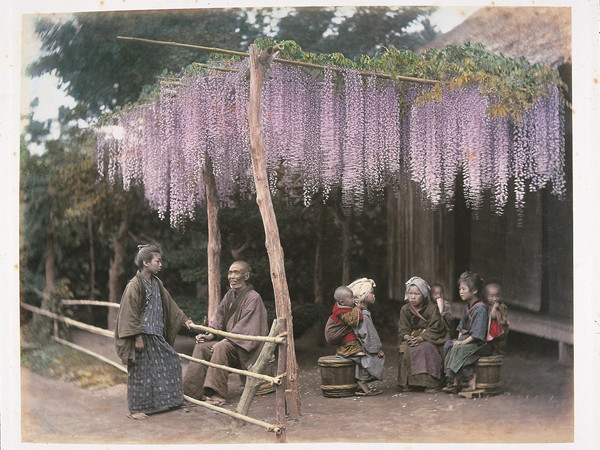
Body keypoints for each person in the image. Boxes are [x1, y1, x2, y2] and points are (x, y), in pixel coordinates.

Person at [115, 244, 194, 420]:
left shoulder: (157, 283)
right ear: (145, 262)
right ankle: (136, 410)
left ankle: (169, 402)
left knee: (171, 360)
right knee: (140, 371)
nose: (160, 265)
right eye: (157, 261)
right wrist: (137, 337)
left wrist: (184, 319)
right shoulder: (134, 286)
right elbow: (130, 312)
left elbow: (170, 304)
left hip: (155, 334)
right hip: (142, 335)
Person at [183, 261, 268, 406]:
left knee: (222, 348)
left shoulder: (254, 298)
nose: (231, 276)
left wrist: (225, 341)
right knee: (201, 347)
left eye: (236, 272)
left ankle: (217, 394)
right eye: (230, 272)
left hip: (245, 349)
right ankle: (191, 392)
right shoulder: (229, 295)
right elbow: (219, 317)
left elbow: (246, 328)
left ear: (246, 276)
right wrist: (210, 335)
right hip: (231, 344)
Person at [397, 276, 449, 392]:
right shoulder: (405, 309)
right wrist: (407, 337)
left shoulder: (432, 308)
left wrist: (421, 338)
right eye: (410, 293)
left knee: (425, 348)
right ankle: (408, 383)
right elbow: (403, 328)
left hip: (430, 338)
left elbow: (436, 328)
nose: (413, 297)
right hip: (412, 337)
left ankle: (430, 383)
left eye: (417, 293)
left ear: (424, 294)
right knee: (405, 347)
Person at [442, 271, 488, 393]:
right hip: (467, 340)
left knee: (458, 349)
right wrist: (459, 340)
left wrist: (462, 343)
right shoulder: (467, 307)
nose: (460, 291)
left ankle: (471, 379)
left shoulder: (481, 308)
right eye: (459, 289)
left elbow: (477, 334)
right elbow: (462, 328)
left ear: (474, 291)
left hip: (478, 344)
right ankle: (455, 381)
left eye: (464, 288)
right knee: (449, 345)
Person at [348, 278, 384, 396]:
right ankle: (363, 384)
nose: (374, 296)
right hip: (363, 344)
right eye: (371, 293)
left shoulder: (362, 311)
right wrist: (376, 348)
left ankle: (363, 385)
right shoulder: (362, 314)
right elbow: (367, 333)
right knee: (369, 360)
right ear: (362, 295)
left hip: (362, 343)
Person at [323, 286, 365, 358]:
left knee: (349, 332)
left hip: (336, 331)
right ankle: (349, 351)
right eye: (351, 298)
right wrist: (358, 309)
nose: (353, 299)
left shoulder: (343, 307)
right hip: (333, 333)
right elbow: (352, 321)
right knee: (350, 334)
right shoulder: (341, 312)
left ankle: (348, 349)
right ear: (342, 302)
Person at [482, 281, 510, 355]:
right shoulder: (485, 307)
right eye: (491, 296)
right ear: (486, 296)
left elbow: (502, 317)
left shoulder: (501, 307)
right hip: (488, 332)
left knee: (498, 347)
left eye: (497, 296)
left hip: (499, 331)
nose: (494, 299)